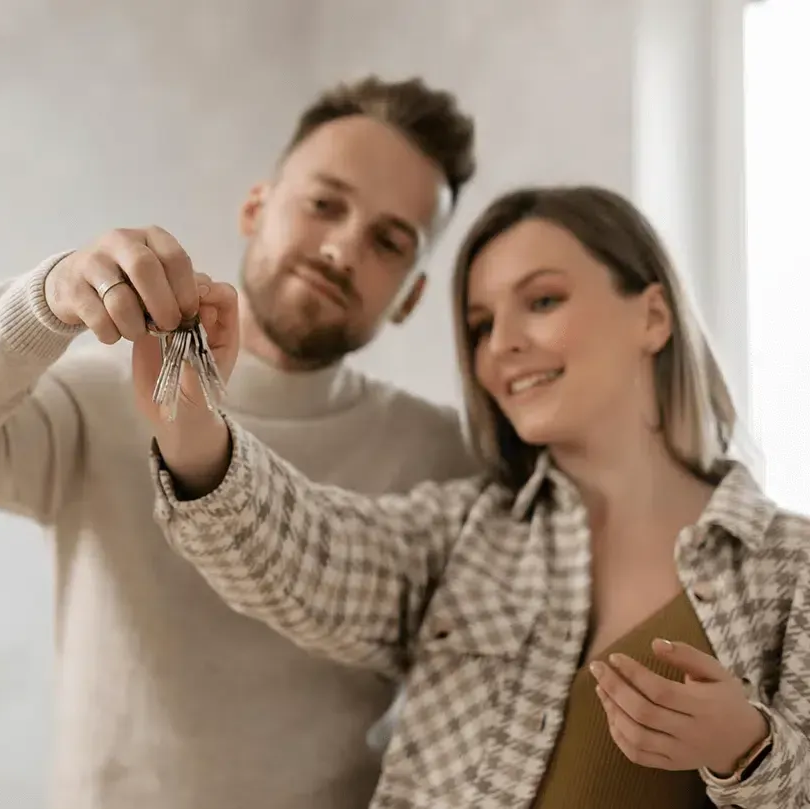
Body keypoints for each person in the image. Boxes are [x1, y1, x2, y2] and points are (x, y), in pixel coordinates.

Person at [0, 77, 478, 809]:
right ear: (257, 207)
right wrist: (49, 297)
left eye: (389, 240)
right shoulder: (101, 395)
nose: (343, 248)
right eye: (324, 204)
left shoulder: (440, 455)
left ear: (410, 294)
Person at [140, 184, 808, 808]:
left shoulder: (792, 568)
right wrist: (194, 429)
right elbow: (308, 551)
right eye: (482, 324)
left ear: (654, 316)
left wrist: (748, 749)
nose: (504, 345)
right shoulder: (464, 534)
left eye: (542, 301)